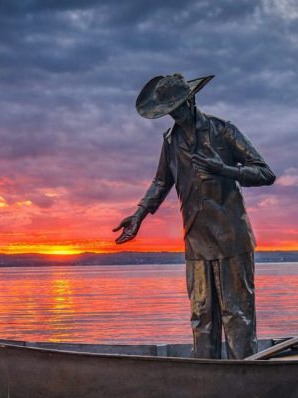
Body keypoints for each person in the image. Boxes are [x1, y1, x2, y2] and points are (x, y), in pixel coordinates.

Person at [113, 74, 275, 359]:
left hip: (231, 239)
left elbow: (265, 173)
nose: (174, 115)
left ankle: (245, 379)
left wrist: (224, 169)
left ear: (191, 100)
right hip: (196, 240)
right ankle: (206, 381)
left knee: (237, 316)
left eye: (177, 107)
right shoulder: (170, 140)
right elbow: (161, 182)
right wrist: (139, 214)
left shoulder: (223, 130)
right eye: (168, 111)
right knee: (201, 316)